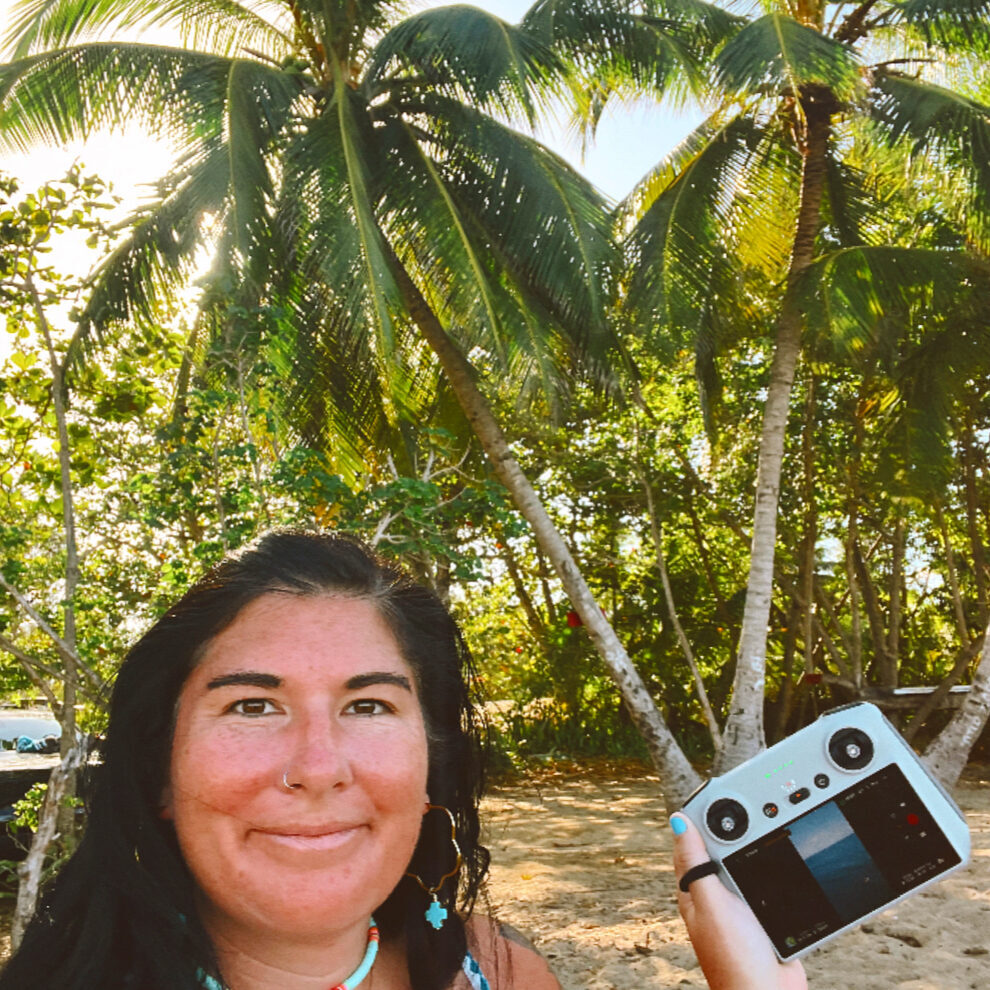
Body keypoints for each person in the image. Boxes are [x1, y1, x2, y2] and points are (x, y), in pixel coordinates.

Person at [0, 529, 806, 990]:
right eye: (252, 705)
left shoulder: (502, 973)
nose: (319, 767)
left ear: (431, 771)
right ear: (159, 773)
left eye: (368, 706)